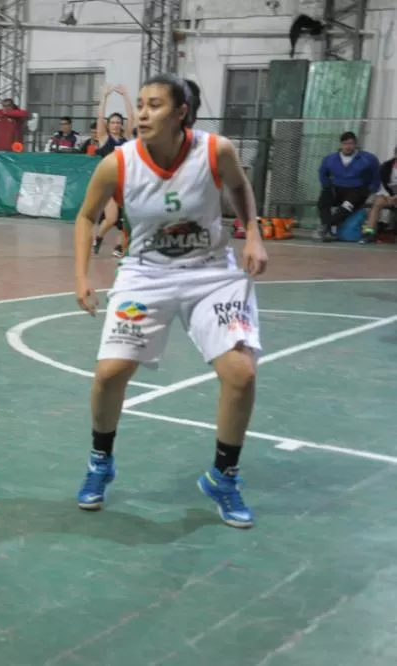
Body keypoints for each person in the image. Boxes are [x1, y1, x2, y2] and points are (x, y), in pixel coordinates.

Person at [72, 75, 268, 529]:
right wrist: (82, 275)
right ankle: (101, 460)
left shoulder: (215, 150)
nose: (141, 113)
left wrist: (253, 234)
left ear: (181, 112)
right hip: (145, 273)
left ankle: (224, 475)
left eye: (154, 105)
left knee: (241, 373)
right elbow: (85, 217)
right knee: (110, 374)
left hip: (211, 273)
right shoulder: (117, 163)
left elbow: (239, 188)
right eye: (139, 104)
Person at [92, 84, 136, 258]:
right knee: (110, 219)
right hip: (109, 184)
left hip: (125, 183)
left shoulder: (126, 139)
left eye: (118, 122)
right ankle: (99, 237)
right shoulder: (104, 138)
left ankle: (119, 247)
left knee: (128, 220)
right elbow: (100, 117)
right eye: (113, 122)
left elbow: (132, 117)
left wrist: (125, 95)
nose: (116, 125)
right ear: (108, 124)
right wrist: (104, 97)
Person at [316, 131, 380, 241]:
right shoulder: (330, 158)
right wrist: (326, 185)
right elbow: (322, 172)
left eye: (350, 143)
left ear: (355, 144)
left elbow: (376, 175)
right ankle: (329, 229)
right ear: (341, 144)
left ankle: (326, 228)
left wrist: (370, 190)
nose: (348, 146)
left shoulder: (368, 159)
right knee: (323, 202)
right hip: (336, 188)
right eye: (345, 143)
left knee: (346, 206)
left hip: (355, 190)